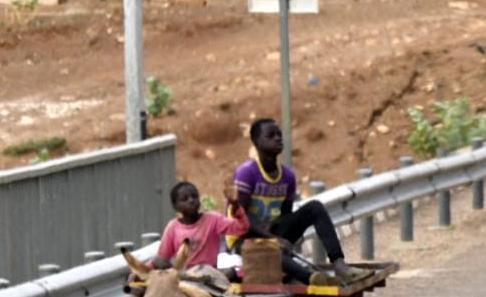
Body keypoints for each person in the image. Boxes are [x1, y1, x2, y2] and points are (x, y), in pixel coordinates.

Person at [231, 117, 358, 284]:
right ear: (256, 142)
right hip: (245, 238)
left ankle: (339, 264)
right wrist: (272, 238)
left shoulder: (288, 176)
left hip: (271, 232)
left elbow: (285, 216)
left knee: (314, 207)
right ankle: (311, 278)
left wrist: (279, 237)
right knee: (270, 250)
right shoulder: (246, 172)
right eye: (271, 135)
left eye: (279, 134)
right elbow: (241, 217)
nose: (278, 138)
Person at [153, 180, 250, 271]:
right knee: (158, 261)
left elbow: (243, 228)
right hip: (185, 276)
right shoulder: (173, 227)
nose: (191, 200)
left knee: (231, 272)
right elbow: (162, 257)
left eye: (194, 196)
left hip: (209, 274)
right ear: (175, 206)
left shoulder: (213, 219)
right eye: (185, 199)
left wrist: (235, 205)